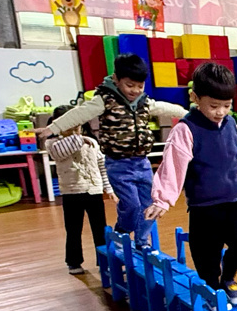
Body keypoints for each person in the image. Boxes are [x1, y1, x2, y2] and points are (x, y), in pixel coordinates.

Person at [37, 54, 187, 249]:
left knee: (150, 204)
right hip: (118, 164)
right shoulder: (105, 100)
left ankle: (142, 241)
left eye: (140, 86)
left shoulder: (143, 102)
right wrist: (53, 128)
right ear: (116, 79)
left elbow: (165, 108)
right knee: (131, 206)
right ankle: (122, 232)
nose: (135, 91)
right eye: (130, 85)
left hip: (142, 162)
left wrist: (189, 114)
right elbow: (79, 113)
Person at [145, 62, 237, 305]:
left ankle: (227, 279)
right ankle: (212, 289)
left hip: (233, 201)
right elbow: (174, 165)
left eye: (227, 106)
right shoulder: (186, 129)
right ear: (195, 97)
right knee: (207, 254)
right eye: (214, 106)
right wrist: (163, 200)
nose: (220, 112)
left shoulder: (231, 124)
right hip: (204, 206)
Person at [45, 107, 117, 275]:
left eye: (77, 124)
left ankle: (104, 262)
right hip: (72, 192)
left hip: (94, 191)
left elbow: (101, 166)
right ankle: (73, 261)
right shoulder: (52, 143)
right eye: (68, 125)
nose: (74, 129)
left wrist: (109, 188)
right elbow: (61, 152)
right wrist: (79, 138)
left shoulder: (91, 142)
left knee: (100, 229)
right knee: (73, 229)